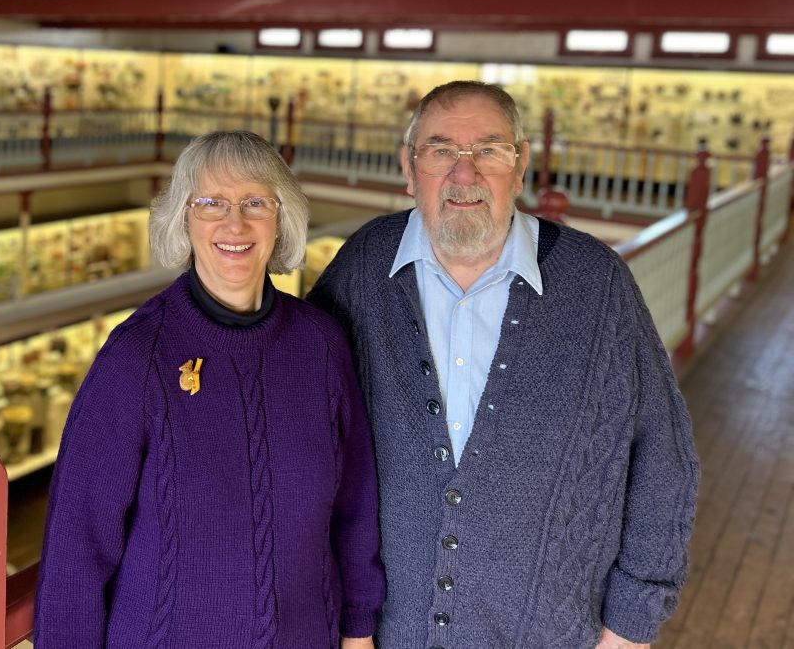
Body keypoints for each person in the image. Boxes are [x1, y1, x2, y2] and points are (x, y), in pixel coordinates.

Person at [307, 81, 699, 649]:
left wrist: (630, 627)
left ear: (520, 168)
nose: (464, 174)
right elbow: (305, 430)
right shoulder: (363, 268)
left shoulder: (596, 283)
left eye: (489, 150)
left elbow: (663, 458)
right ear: (409, 168)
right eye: (441, 150)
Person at [34, 130, 384, 649]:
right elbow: (77, 543)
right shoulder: (136, 357)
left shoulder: (322, 343)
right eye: (211, 202)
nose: (234, 223)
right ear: (183, 219)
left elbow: (354, 502)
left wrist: (358, 628)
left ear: (281, 218)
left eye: (255, 202)